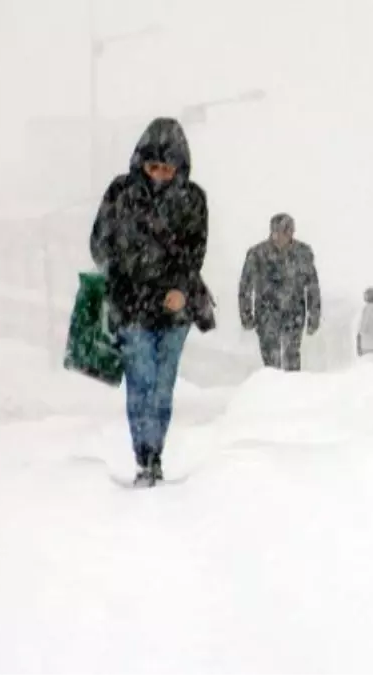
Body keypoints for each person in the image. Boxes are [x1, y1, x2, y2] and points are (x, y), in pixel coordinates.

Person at [89, 116, 214, 487]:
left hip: (176, 309)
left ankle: (155, 453)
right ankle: (144, 457)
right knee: (140, 381)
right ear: (140, 162)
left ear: (180, 166)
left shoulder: (193, 199)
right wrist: (122, 273)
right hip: (131, 305)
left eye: (167, 166)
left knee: (162, 386)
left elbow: (195, 251)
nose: (159, 174)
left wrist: (181, 288)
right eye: (152, 165)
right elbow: (99, 242)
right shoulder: (120, 193)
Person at [238, 213, 321, 371]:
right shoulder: (257, 254)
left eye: (286, 231)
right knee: (271, 362)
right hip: (267, 312)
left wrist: (314, 314)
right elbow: (245, 286)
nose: (281, 236)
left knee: (292, 358)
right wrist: (246, 314)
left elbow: (312, 286)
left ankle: (292, 391)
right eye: (277, 231)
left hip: (294, 312)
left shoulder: (303, 253)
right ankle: (272, 391)